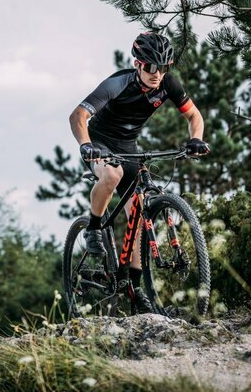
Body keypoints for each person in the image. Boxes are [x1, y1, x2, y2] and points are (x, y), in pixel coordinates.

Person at [69, 32, 210, 313]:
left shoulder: (167, 84)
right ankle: (94, 228)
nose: (157, 73)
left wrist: (196, 138)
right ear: (138, 64)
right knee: (112, 175)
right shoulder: (118, 83)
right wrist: (86, 145)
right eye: (150, 67)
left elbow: (194, 115)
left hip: (128, 146)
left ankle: (134, 289)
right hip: (100, 142)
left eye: (163, 67)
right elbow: (78, 116)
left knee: (138, 212)